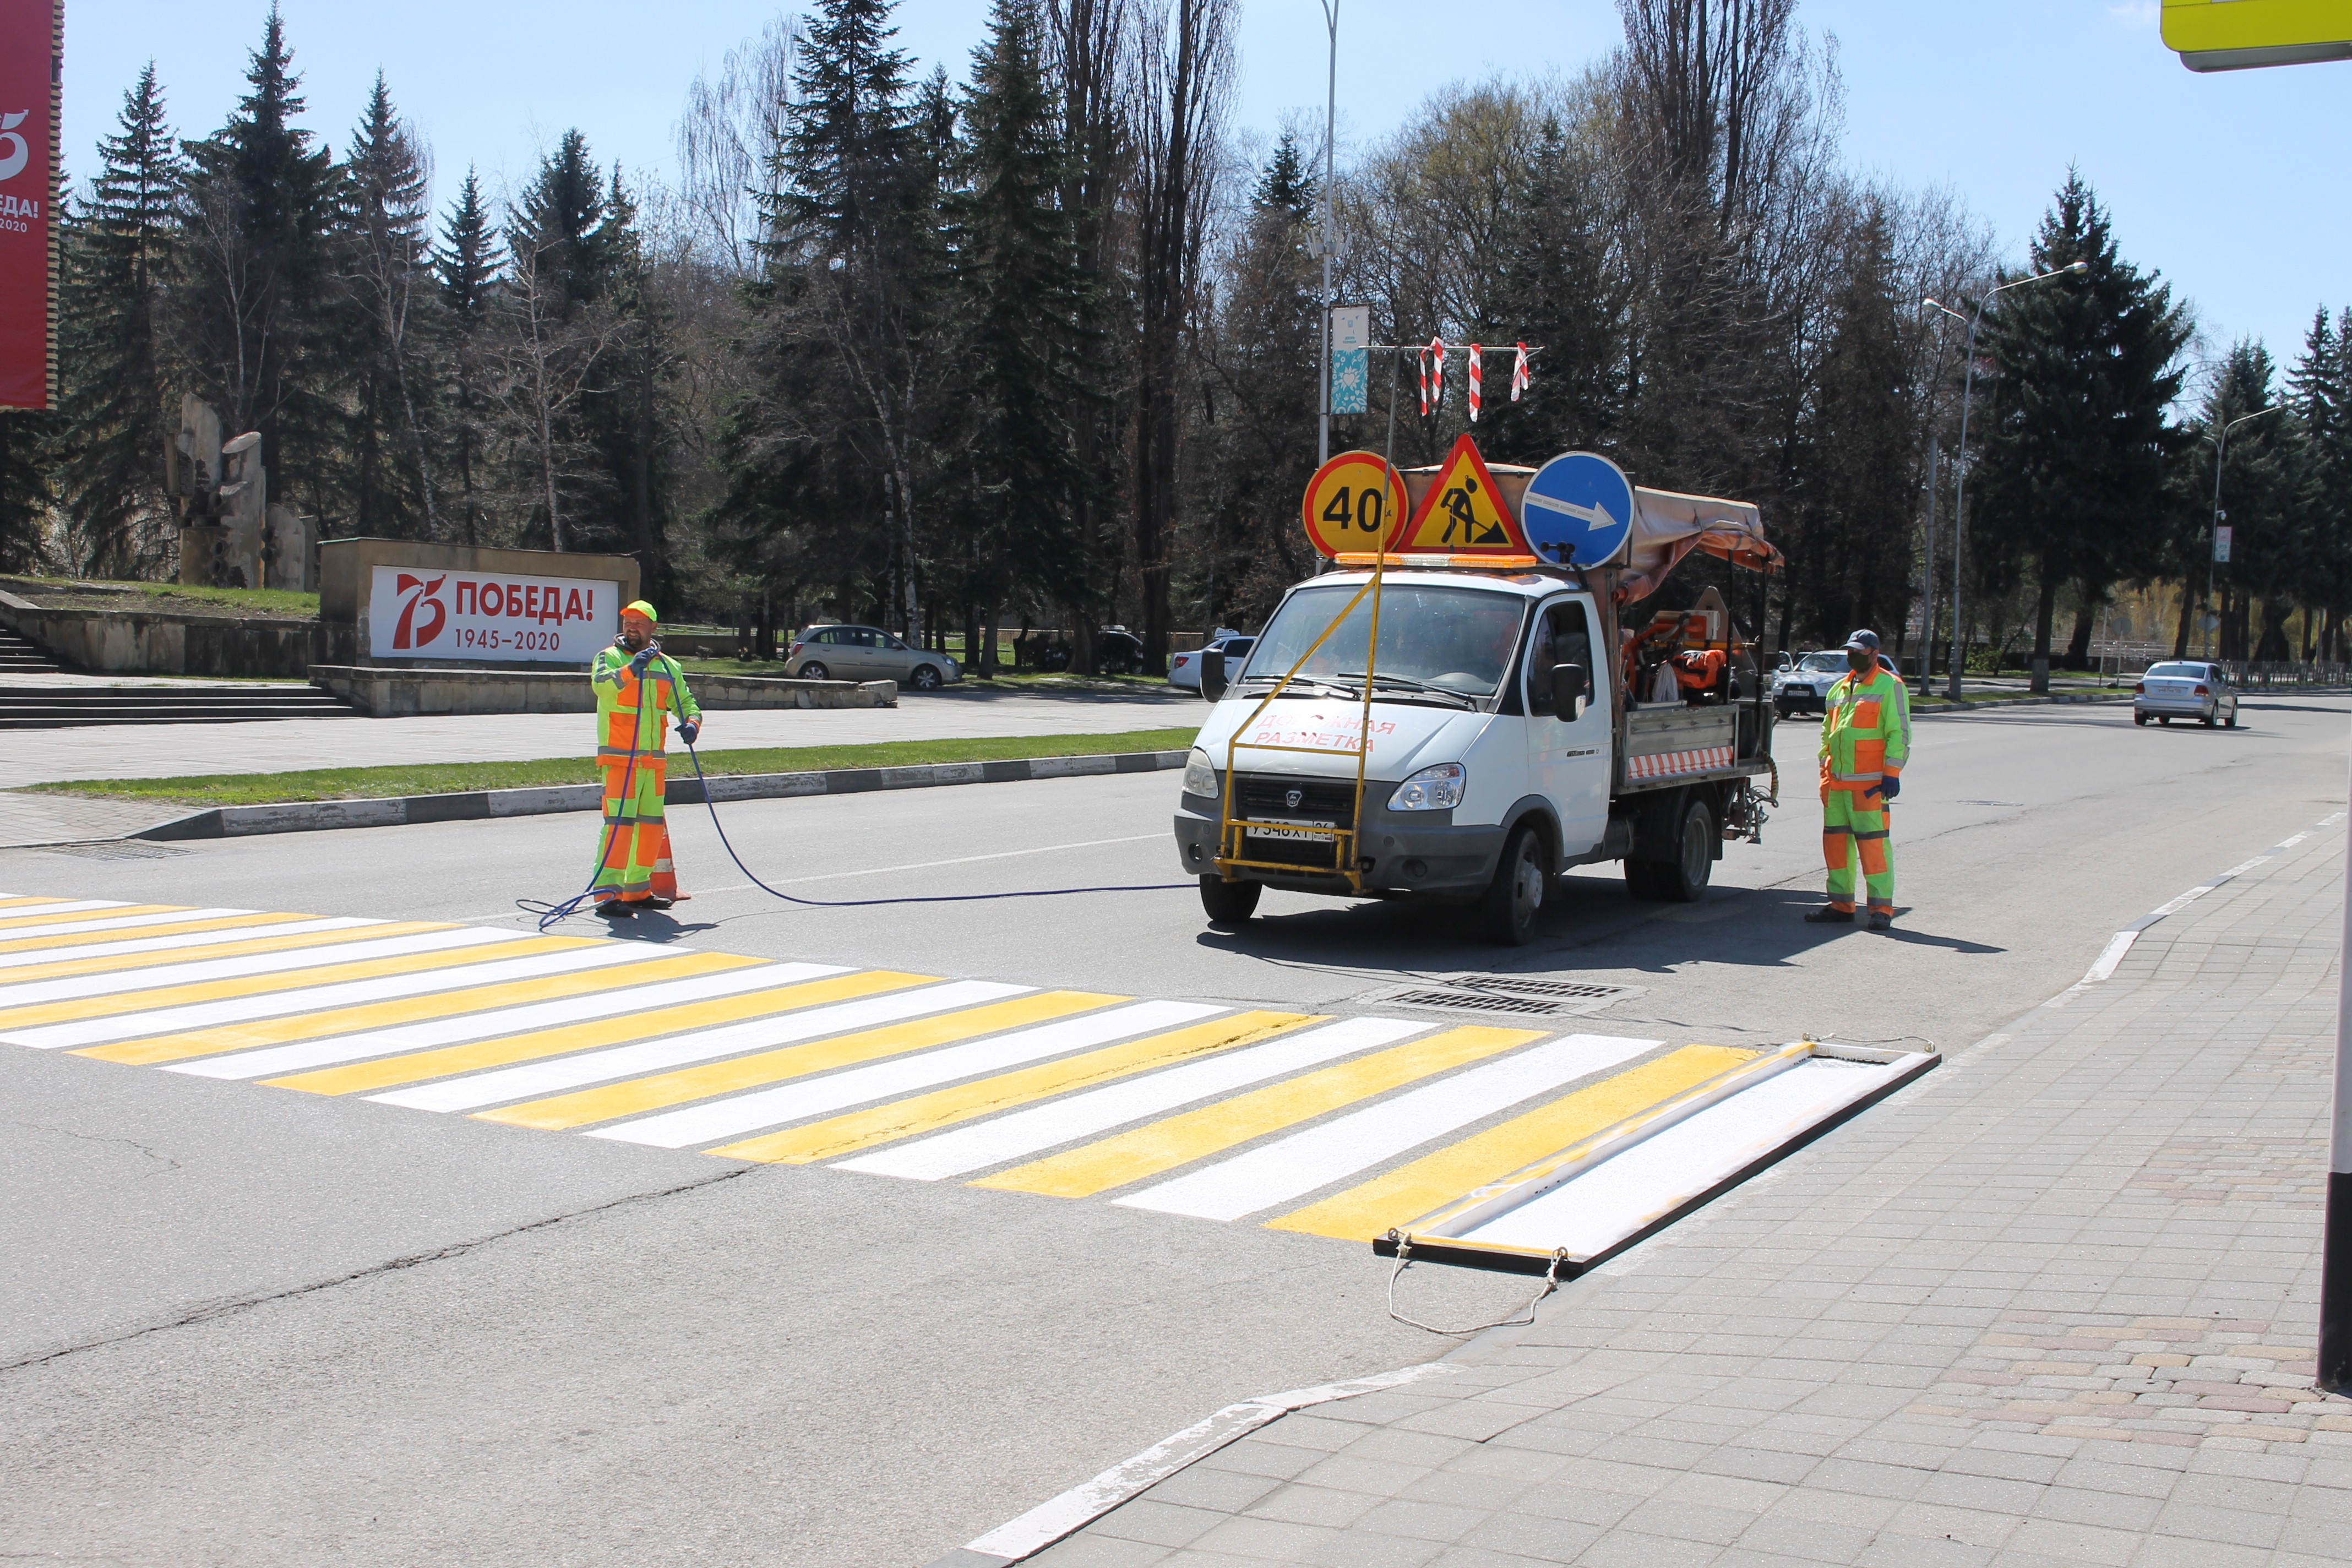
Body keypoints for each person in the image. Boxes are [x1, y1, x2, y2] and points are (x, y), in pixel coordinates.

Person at [589, 600, 704, 917]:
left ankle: (638, 890)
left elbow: (686, 701)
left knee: (650, 828)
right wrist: (630, 670)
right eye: (628, 621)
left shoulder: (669, 666)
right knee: (619, 827)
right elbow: (601, 685)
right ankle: (608, 895)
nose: (632, 626)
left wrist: (692, 723)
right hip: (620, 760)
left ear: (653, 627)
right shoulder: (608, 657)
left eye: (639, 622)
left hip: (652, 763)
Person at [1808, 628, 1910, 930]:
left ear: (1874, 654)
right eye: (1850, 651)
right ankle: (1841, 905)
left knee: (1873, 848)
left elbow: (1899, 733)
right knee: (1837, 848)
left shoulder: (1890, 686)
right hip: (1836, 785)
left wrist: (1892, 773)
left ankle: (1881, 910)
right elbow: (1828, 732)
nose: (1853, 656)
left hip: (1869, 786)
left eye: (1859, 652)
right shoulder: (1839, 688)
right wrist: (1824, 767)